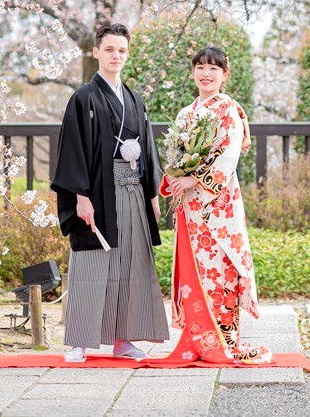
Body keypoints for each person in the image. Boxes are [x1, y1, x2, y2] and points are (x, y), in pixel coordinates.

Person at [51, 23, 169, 361]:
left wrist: (152, 197)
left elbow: (148, 149)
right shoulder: (83, 98)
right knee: (91, 263)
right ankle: (79, 341)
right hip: (98, 191)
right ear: (96, 52)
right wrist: (80, 198)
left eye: (121, 50)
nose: (116, 55)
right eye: (109, 49)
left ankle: (123, 339)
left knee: (131, 265)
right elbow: (73, 150)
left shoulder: (135, 99)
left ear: (127, 54)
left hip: (133, 190)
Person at [160, 46, 271, 365]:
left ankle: (224, 338)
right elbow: (175, 156)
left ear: (225, 75)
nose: (205, 73)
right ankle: (197, 337)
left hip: (218, 203)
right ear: (192, 72)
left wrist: (195, 180)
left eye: (213, 68)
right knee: (195, 267)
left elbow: (228, 154)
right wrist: (176, 177)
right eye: (199, 67)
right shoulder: (185, 113)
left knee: (221, 265)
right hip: (191, 205)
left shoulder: (228, 109)